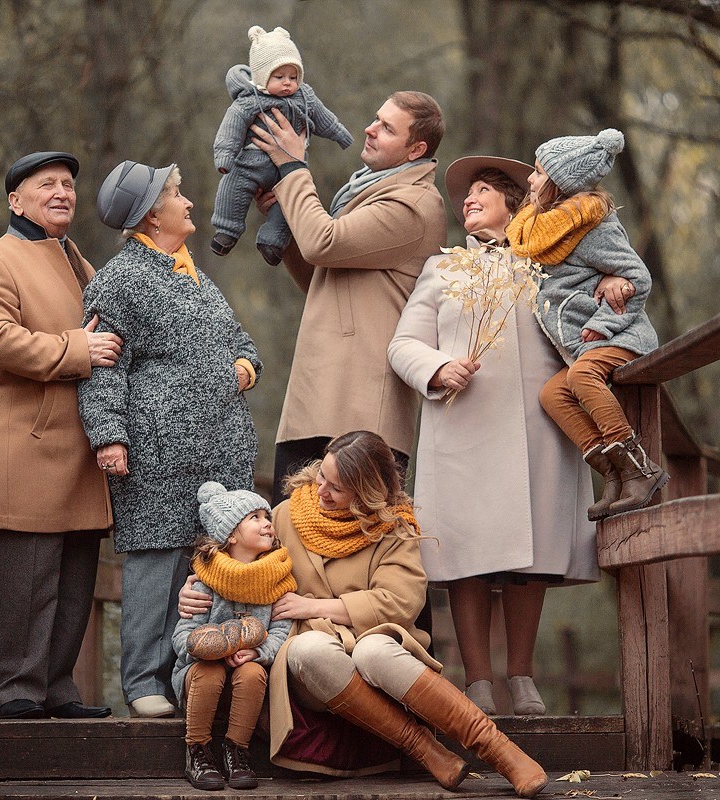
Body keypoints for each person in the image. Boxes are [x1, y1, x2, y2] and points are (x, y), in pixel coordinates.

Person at [180, 432, 549, 797]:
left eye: (336, 487)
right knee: (310, 649)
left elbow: (402, 600)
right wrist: (197, 586)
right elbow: (238, 565)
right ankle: (425, 749)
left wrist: (316, 606)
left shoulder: (393, 527)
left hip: (378, 653)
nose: (321, 490)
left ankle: (498, 749)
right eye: (322, 475)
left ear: (366, 492)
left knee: (373, 651)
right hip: (307, 667)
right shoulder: (288, 515)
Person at [389, 156, 618, 716]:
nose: (468, 198)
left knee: (529, 555)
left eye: (483, 190)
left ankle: (522, 675)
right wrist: (437, 369)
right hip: (462, 427)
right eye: (466, 193)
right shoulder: (442, 269)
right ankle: (478, 680)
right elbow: (403, 344)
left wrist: (615, 282)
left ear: (515, 203)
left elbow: (601, 301)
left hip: (538, 430)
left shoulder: (550, 263)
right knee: (465, 553)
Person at [80, 160, 262, 718]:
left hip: (217, 450)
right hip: (157, 450)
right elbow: (103, 365)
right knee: (153, 566)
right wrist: (109, 435)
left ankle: (191, 680)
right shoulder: (120, 278)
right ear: (153, 214)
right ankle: (142, 683)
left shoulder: (193, 274)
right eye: (178, 195)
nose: (188, 203)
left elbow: (241, 340)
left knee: (203, 566)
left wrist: (242, 369)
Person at [0, 151, 121, 720]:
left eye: (69, 185)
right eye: (47, 184)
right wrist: (77, 349)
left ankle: (56, 687)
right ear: (15, 200)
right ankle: (13, 693)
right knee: (25, 576)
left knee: (75, 575)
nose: (62, 193)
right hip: (24, 443)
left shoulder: (77, 259)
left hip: (77, 444)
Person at [250, 91, 446, 504]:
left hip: (360, 410)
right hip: (317, 398)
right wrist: (286, 221)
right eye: (376, 118)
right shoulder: (367, 192)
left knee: (352, 551)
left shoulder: (413, 205)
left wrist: (292, 167)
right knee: (295, 541)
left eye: (387, 128)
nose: (369, 130)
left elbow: (323, 243)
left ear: (417, 149)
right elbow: (323, 277)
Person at [506, 129, 668, 517]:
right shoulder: (542, 230)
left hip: (622, 335)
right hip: (584, 346)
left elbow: (638, 278)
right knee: (552, 394)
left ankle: (640, 470)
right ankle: (613, 476)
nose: (530, 178)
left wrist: (604, 323)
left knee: (581, 378)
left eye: (539, 172)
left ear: (560, 184)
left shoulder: (592, 226)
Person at [171, 482, 295, 791]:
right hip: (200, 680)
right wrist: (204, 648)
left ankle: (237, 751)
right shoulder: (204, 582)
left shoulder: (277, 579)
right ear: (231, 535)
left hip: (245, 685)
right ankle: (197, 750)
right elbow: (182, 632)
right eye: (255, 517)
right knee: (209, 672)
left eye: (267, 516)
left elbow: (282, 628)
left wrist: (257, 652)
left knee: (253, 672)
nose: (267, 523)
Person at [210, 25, 353, 265]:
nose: (288, 83)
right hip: (250, 163)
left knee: (289, 205)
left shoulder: (305, 96)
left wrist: (340, 134)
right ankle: (226, 231)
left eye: (293, 77)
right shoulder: (250, 100)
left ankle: (272, 241)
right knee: (232, 188)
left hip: (287, 171)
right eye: (279, 77)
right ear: (263, 76)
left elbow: (323, 117)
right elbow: (231, 127)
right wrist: (224, 155)